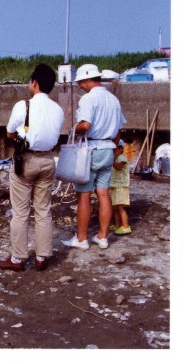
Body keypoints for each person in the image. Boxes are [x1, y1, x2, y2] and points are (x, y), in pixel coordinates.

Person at [0, 64, 65, 272]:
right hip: (48, 160)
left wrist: (20, 138)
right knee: (43, 210)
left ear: (34, 83)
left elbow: (9, 133)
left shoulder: (23, 106)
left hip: (26, 161)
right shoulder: (58, 109)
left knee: (20, 211)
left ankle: (17, 259)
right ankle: (42, 257)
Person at [62, 64, 126, 250]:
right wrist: (115, 152)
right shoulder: (114, 99)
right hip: (108, 148)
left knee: (83, 196)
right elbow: (118, 131)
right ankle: (102, 237)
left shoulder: (88, 99)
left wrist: (74, 128)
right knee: (104, 193)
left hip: (91, 149)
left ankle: (82, 239)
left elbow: (86, 125)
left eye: (81, 82)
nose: (80, 86)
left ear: (88, 80)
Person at [109, 140, 132, 235]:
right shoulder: (117, 158)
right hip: (116, 186)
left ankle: (126, 226)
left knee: (120, 207)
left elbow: (118, 167)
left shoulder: (122, 158)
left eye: (115, 150)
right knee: (115, 207)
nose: (113, 152)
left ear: (121, 149)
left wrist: (111, 160)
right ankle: (117, 225)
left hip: (121, 186)